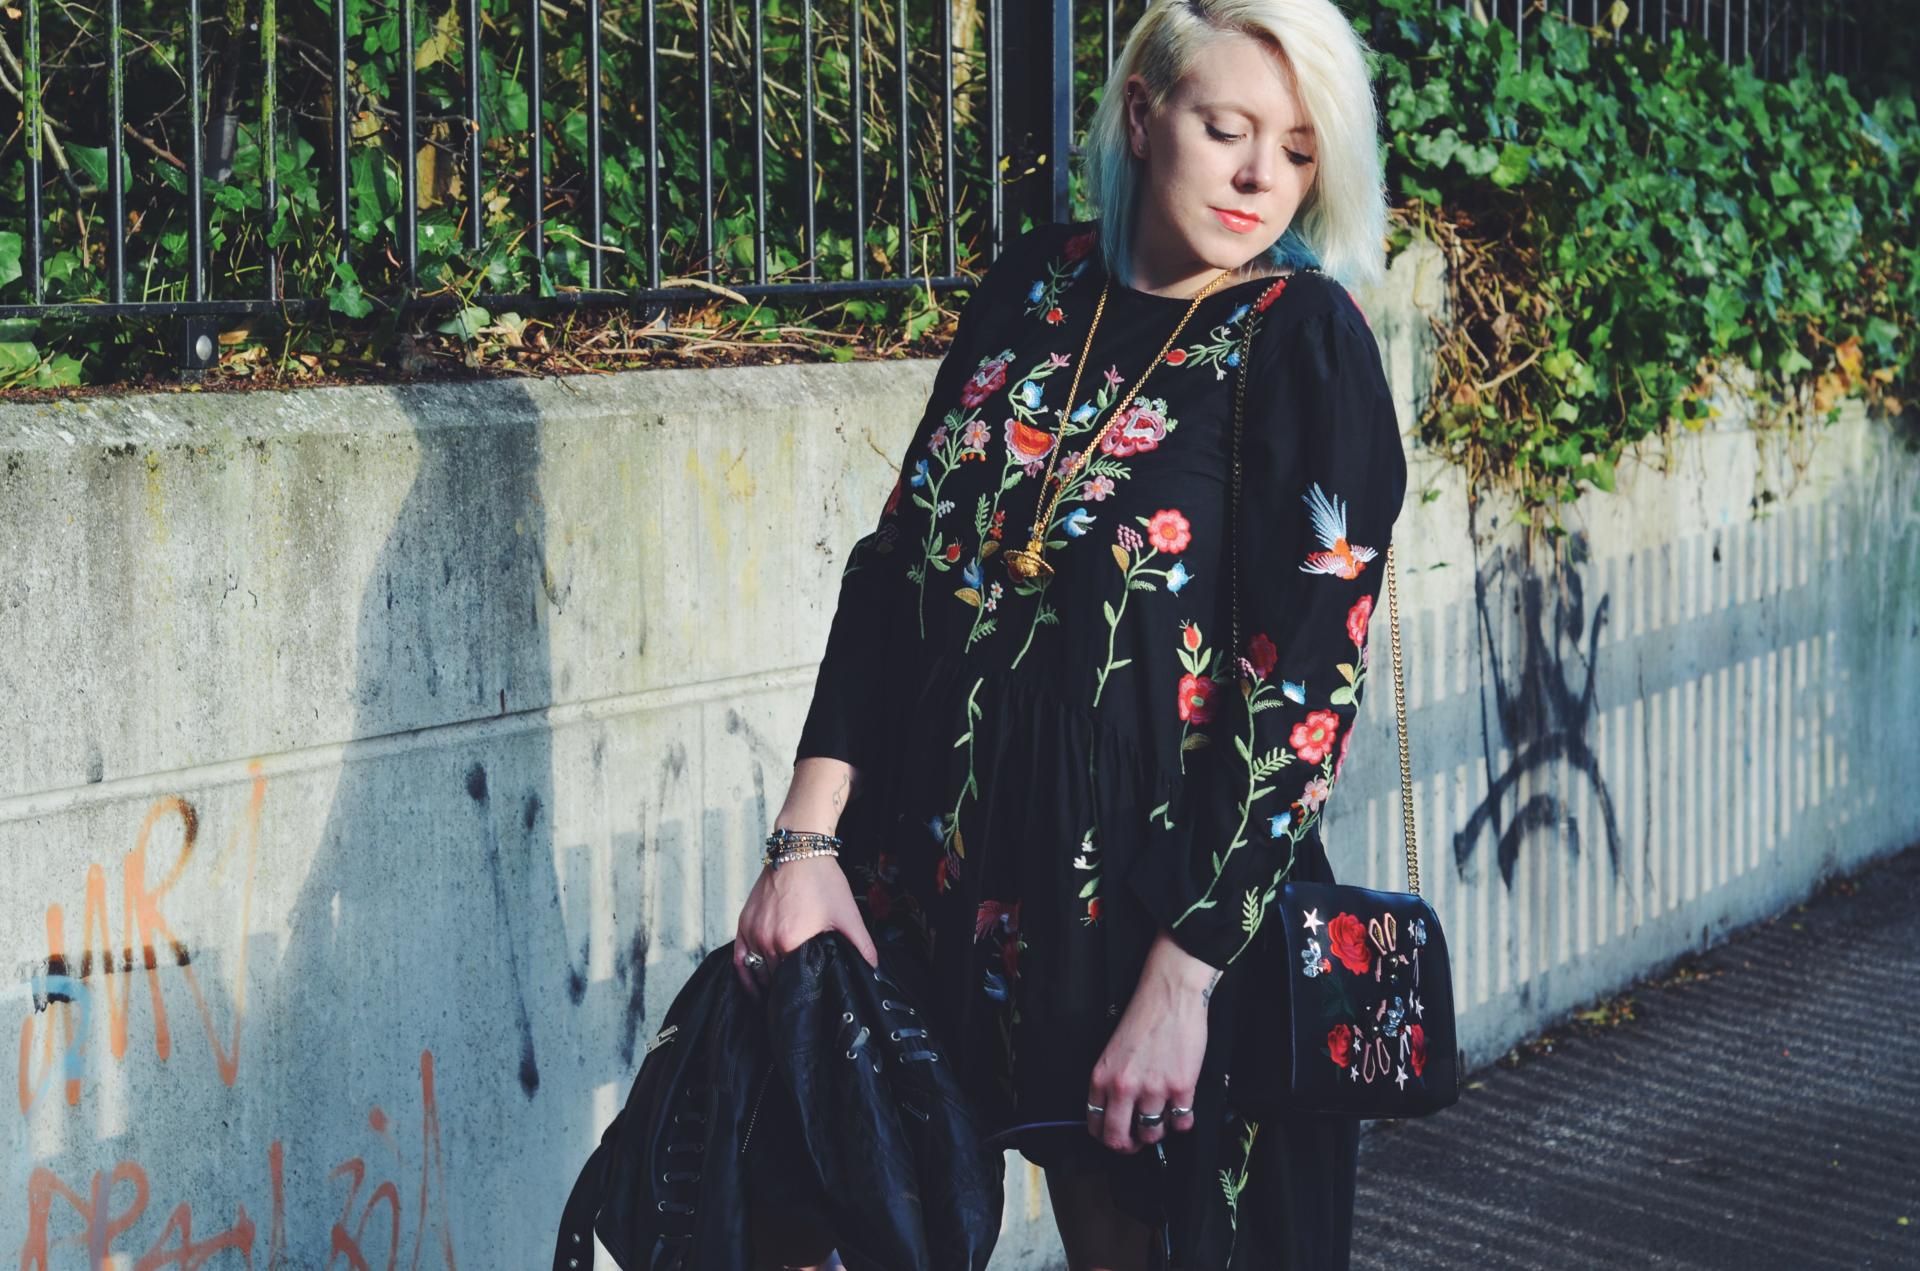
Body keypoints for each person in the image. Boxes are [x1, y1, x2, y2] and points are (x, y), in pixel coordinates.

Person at [733, 1, 1406, 1267]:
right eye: (1228, 129)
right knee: (798, 1213)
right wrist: (805, 840)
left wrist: (1182, 978)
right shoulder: (1034, 286)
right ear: (1144, 116)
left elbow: (1305, 700)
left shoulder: (1302, 341)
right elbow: (897, 567)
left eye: (1299, 149)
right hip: (928, 888)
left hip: (1141, 918)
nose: (1261, 177)